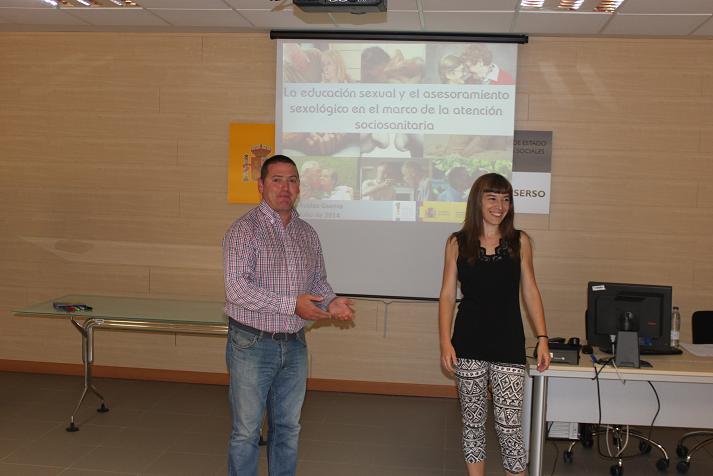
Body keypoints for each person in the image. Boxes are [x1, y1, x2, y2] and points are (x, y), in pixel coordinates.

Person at [223, 154, 355, 476]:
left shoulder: (307, 233)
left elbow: (318, 283)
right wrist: (291, 304)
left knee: (288, 429)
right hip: (251, 344)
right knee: (247, 432)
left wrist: (332, 302)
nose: (285, 187)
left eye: (292, 180)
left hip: (294, 344)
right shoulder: (244, 231)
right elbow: (237, 289)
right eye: (277, 180)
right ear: (261, 185)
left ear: (299, 187)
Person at [438, 173, 550, 476]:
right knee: (473, 423)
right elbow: (447, 295)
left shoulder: (520, 241)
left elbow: (530, 290)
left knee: (509, 427)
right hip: (468, 342)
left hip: (508, 342)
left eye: (505, 199)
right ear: (478, 201)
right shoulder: (457, 242)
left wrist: (542, 337)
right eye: (492, 198)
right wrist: (445, 341)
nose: (500, 206)